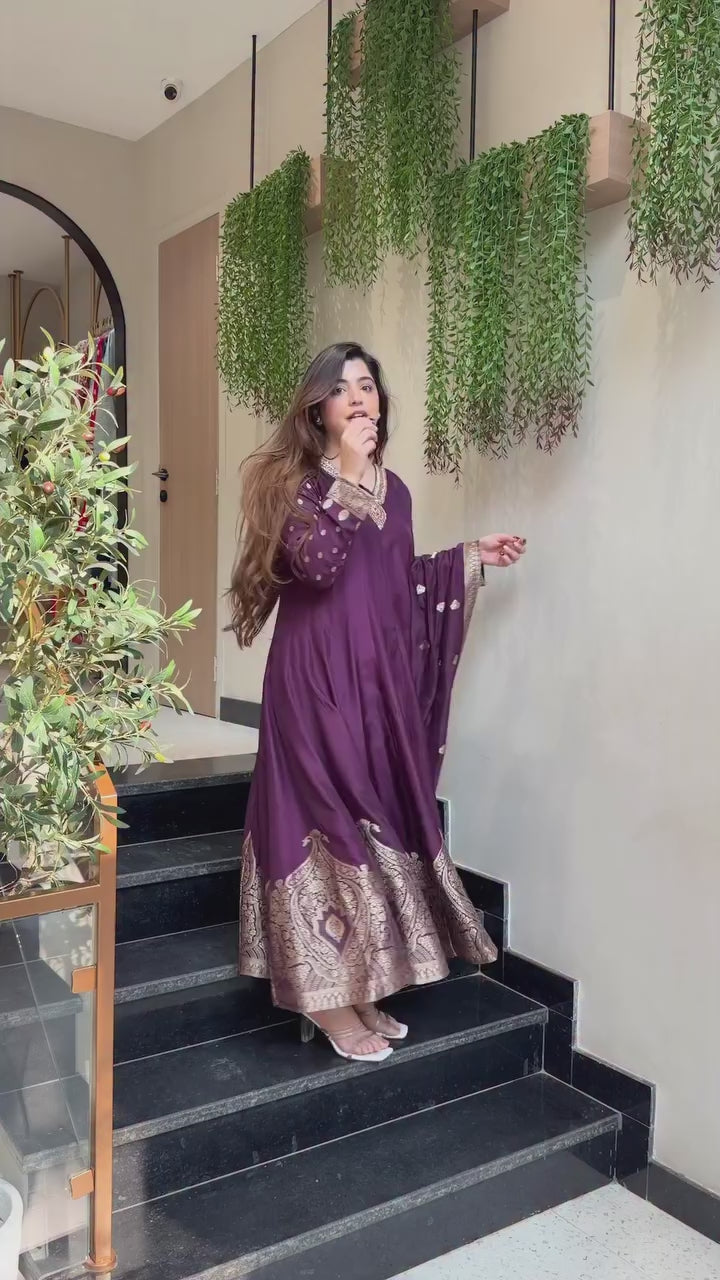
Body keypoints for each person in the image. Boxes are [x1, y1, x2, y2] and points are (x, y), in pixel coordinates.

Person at [229, 342, 526, 1063]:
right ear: (317, 408)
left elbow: (395, 587)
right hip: (312, 679)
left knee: (368, 818)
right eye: (342, 388)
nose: (359, 397)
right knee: (322, 818)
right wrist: (349, 476)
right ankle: (323, 997)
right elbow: (318, 567)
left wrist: (467, 559)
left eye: (368, 385)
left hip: (372, 686)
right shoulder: (290, 484)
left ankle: (356, 983)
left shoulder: (398, 492)